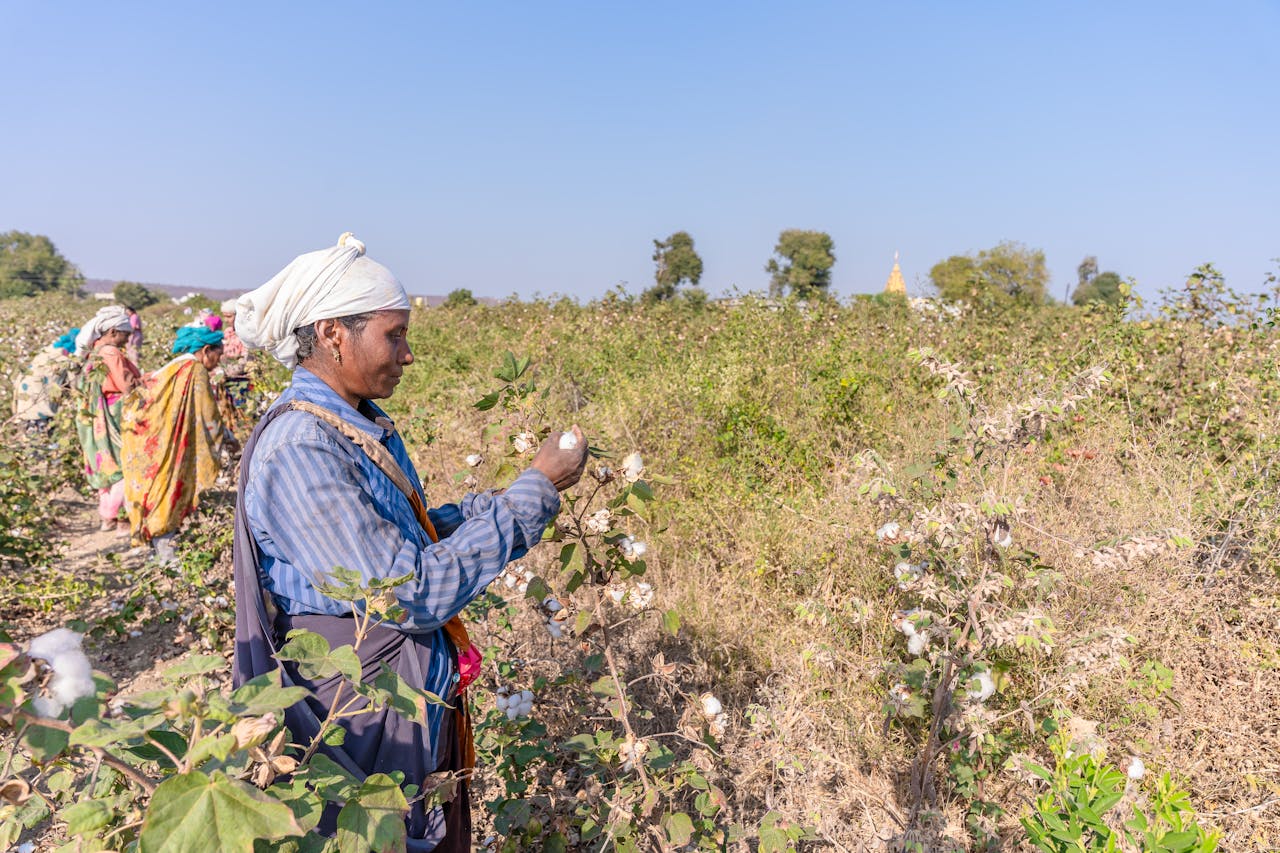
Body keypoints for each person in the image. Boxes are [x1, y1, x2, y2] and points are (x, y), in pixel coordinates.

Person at [231, 233, 586, 851]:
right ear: (333, 332)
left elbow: (400, 537)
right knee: (379, 832)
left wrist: (499, 504)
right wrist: (532, 494)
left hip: (392, 691)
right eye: (393, 335)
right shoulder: (303, 448)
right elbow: (409, 592)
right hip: (358, 706)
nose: (408, 354)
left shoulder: (353, 422)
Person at [121, 325, 229, 563]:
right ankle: (167, 560)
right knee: (170, 493)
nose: (218, 362)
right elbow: (208, 416)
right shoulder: (194, 370)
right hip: (169, 446)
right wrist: (226, 442)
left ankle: (157, 555)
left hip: (149, 445)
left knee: (155, 494)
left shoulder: (170, 368)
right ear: (206, 350)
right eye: (218, 355)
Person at [73, 306, 143, 534]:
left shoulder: (93, 352)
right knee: (123, 464)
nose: (129, 337)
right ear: (113, 332)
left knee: (104, 465)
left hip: (95, 417)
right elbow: (127, 385)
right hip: (113, 414)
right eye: (125, 332)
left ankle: (109, 518)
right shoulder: (111, 353)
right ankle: (115, 516)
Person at [12, 328, 79, 429]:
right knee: (40, 428)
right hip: (38, 395)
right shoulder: (70, 357)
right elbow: (75, 385)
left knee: (27, 420)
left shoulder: (52, 348)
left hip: (25, 387)